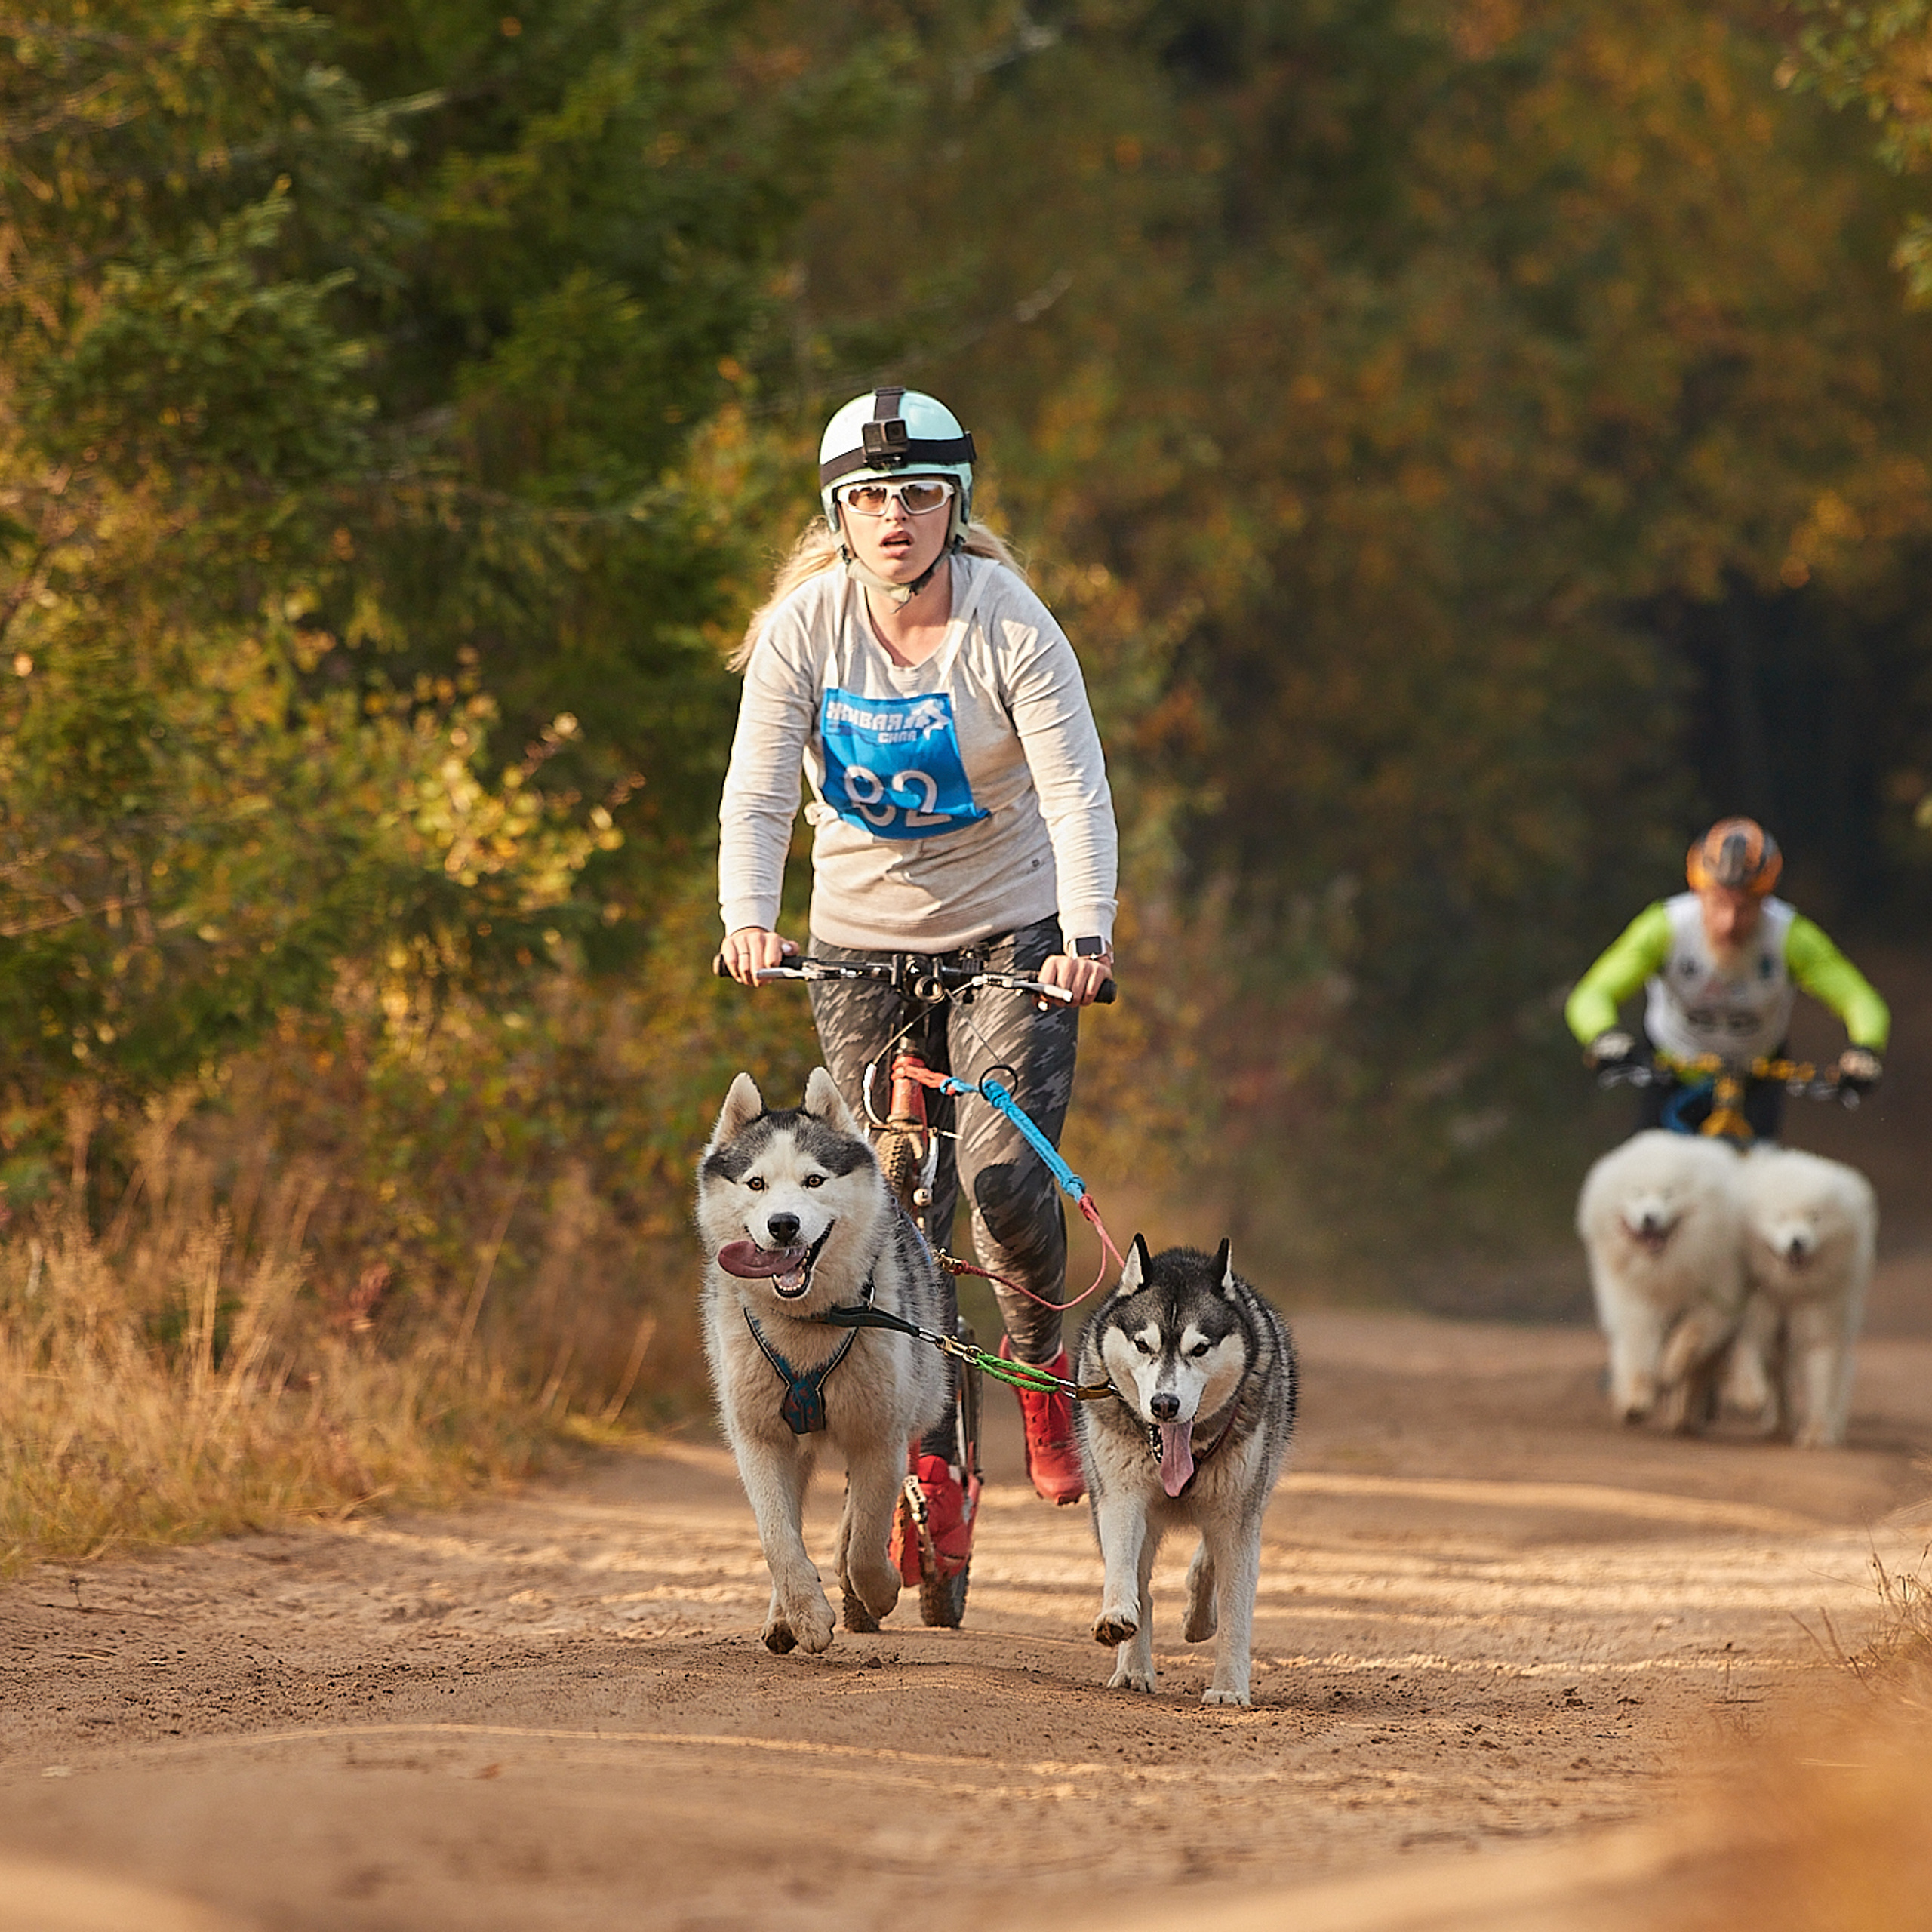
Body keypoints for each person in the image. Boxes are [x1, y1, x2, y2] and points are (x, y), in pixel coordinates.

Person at [717, 386, 1117, 1532]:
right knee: (888, 1208)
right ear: (839, 516)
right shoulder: (807, 626)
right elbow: (755, 793)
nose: (895, 516)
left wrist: (1087, 938)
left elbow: (1075, 795)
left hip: (1012, 935)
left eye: (918, 495)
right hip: (855, 945)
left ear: (955, 507)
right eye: (870, 498)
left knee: (1000, 1185)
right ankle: (930, 1460)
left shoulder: (1011, 623)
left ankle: (1038, 1369)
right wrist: (750, 915)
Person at [1565, 817, 1888, 1139]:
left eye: (1746, 907)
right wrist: (1603, 1035)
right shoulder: (1664, 927)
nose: (1729, 922)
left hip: (1757, 1079)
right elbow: (1593, 993)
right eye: (1718, 903)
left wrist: (1865, 1050)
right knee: (1645, 1174)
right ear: (1698, 891)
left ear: (1766, 900)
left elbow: (1860, 1000)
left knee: (1762, 1180)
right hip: (1670, 1074)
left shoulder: (1792, 937)